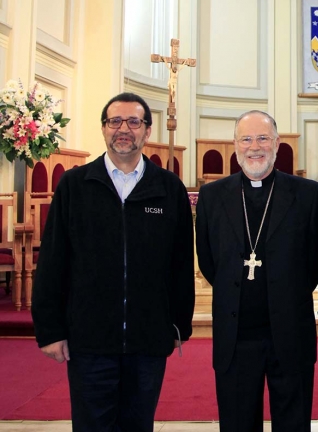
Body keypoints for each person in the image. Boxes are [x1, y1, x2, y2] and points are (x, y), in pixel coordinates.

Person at [31, 92, 196, 432]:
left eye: (134, 122)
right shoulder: (75, 185)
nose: (124, 129)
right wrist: (50, 329)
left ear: (147, 131)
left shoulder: (168, 188)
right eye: (115, 121)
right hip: (89, 339)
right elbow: (52, 260)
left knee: (138, 425)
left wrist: (180, 324)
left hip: (148, 339)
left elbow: (180, 266)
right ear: (103, 129)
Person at [195, 110, 318, 432]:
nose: (255, 147)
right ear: (235, 145)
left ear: (277, 144)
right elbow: (209, 261)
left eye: (263, 138)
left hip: (291, 332)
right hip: (235, 337)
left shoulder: (306, 194)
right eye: (247, 139)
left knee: (293, 424)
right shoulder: (212, 196)